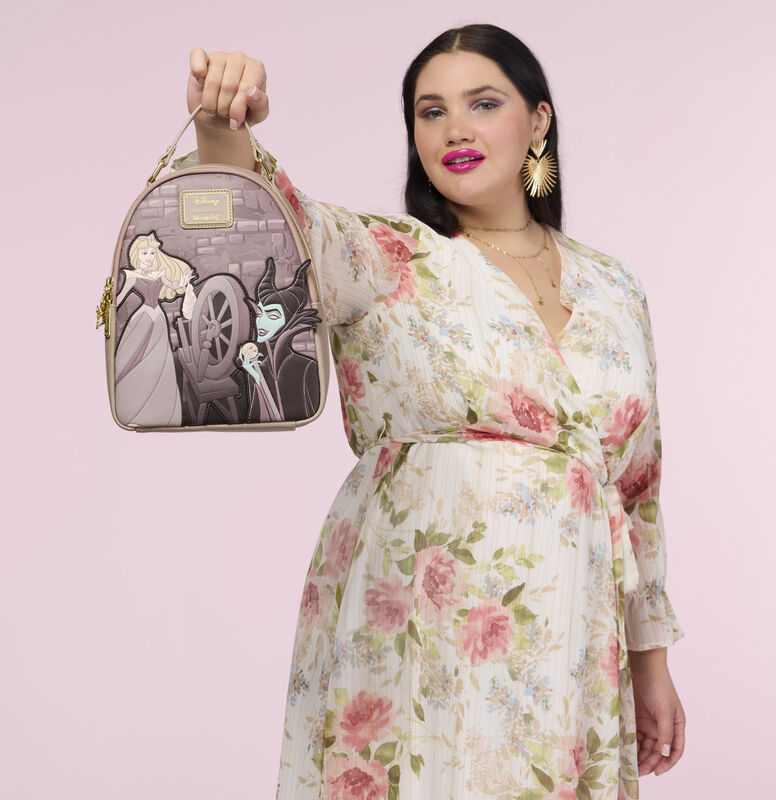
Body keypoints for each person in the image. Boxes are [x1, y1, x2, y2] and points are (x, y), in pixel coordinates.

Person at [171, 23, 686, 798]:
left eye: (483, 103)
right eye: (430, 111)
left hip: (571, 635)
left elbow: (638, 486)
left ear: (538, 121)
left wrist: (651, 664)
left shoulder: (615, 289)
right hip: (415, 624)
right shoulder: (389, 257)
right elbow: (278, 227)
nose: (455, 130)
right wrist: (223, 129)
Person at [114, 232, 196, 427]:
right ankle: (135, 406)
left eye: (151, 253)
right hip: (143, 319)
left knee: (160, 361)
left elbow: (174, 285)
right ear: (136, 254)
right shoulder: (132, 276)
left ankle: (161, 407)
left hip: (157, 318)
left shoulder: (159, 273)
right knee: (135, 359)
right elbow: (119, 299)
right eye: (144, 253)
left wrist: (183, 283)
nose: (149, 257)